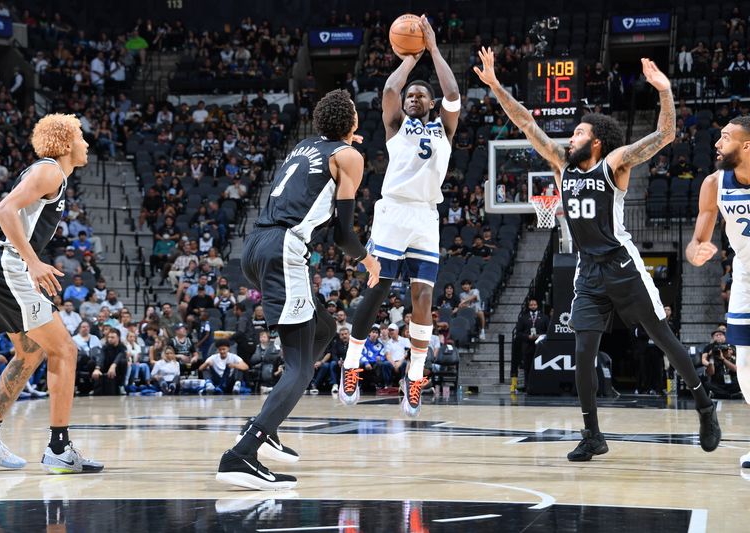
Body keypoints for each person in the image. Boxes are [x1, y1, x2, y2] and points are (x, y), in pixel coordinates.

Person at [473, 50, 720, 461]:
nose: (571, 138)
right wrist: (496, 86)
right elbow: (526, 122)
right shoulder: (561, 164)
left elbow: (665, 135)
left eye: (579, 133)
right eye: (571, 134)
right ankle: (593, 434)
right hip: (588, 273)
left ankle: (705, 407)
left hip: (622, 265)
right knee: (583, 351)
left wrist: (664, 91)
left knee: (663, 338)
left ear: (597, 140)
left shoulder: (614, 165)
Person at [216, 89, 380, 490]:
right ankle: (241, 454)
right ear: (353, 124)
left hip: (254, 247)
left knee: (323, 329)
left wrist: (343, 143)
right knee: (301, 367)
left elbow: (321, 163)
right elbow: (342, 234)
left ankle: (268, 427)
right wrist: (367, 260)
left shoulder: (304, 145)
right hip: (285, 248)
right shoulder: (350, 157)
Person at [0, 114, 103, 473]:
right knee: (65, 349)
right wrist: (33, 262)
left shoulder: (54, 176)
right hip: (6, 265)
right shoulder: (50, 171)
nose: (87, 144)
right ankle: (60, 447)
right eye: (82, 138)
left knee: (29, 352)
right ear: (67, 142)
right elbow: (3, 209)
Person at [341, 16, 460, 417]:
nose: (412, 97)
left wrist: (435, 50)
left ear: (431, 103)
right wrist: (412, 57)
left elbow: (453, 92)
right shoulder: (396, 127)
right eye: (410, 95)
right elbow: (391, 88)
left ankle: (415, 375)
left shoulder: (444, 129)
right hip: (392, 210)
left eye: (420, 95)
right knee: (377, 288)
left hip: (426, 216)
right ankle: (351, 364)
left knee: (423, 296)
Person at [687, 115, 750, 470]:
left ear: (746, 145)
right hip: (745, 274)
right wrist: (695, 252)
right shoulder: (714, 183)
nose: (717, 143)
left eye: (725, 137)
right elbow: (699, 239)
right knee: (745, 363)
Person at [512, 299, 550, 393]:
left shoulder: (544, 317)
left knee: (540, 366)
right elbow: (519, 333)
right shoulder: (523, 318)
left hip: (540, 346)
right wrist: (527, 336)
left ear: (537, 305)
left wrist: (539, 336)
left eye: (535, 304)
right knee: (527, 367)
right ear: (529, 306)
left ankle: (541, 386)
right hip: (527, 346)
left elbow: (548, 331)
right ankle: (528, 386)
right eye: (531, 305)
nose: (533, 306)